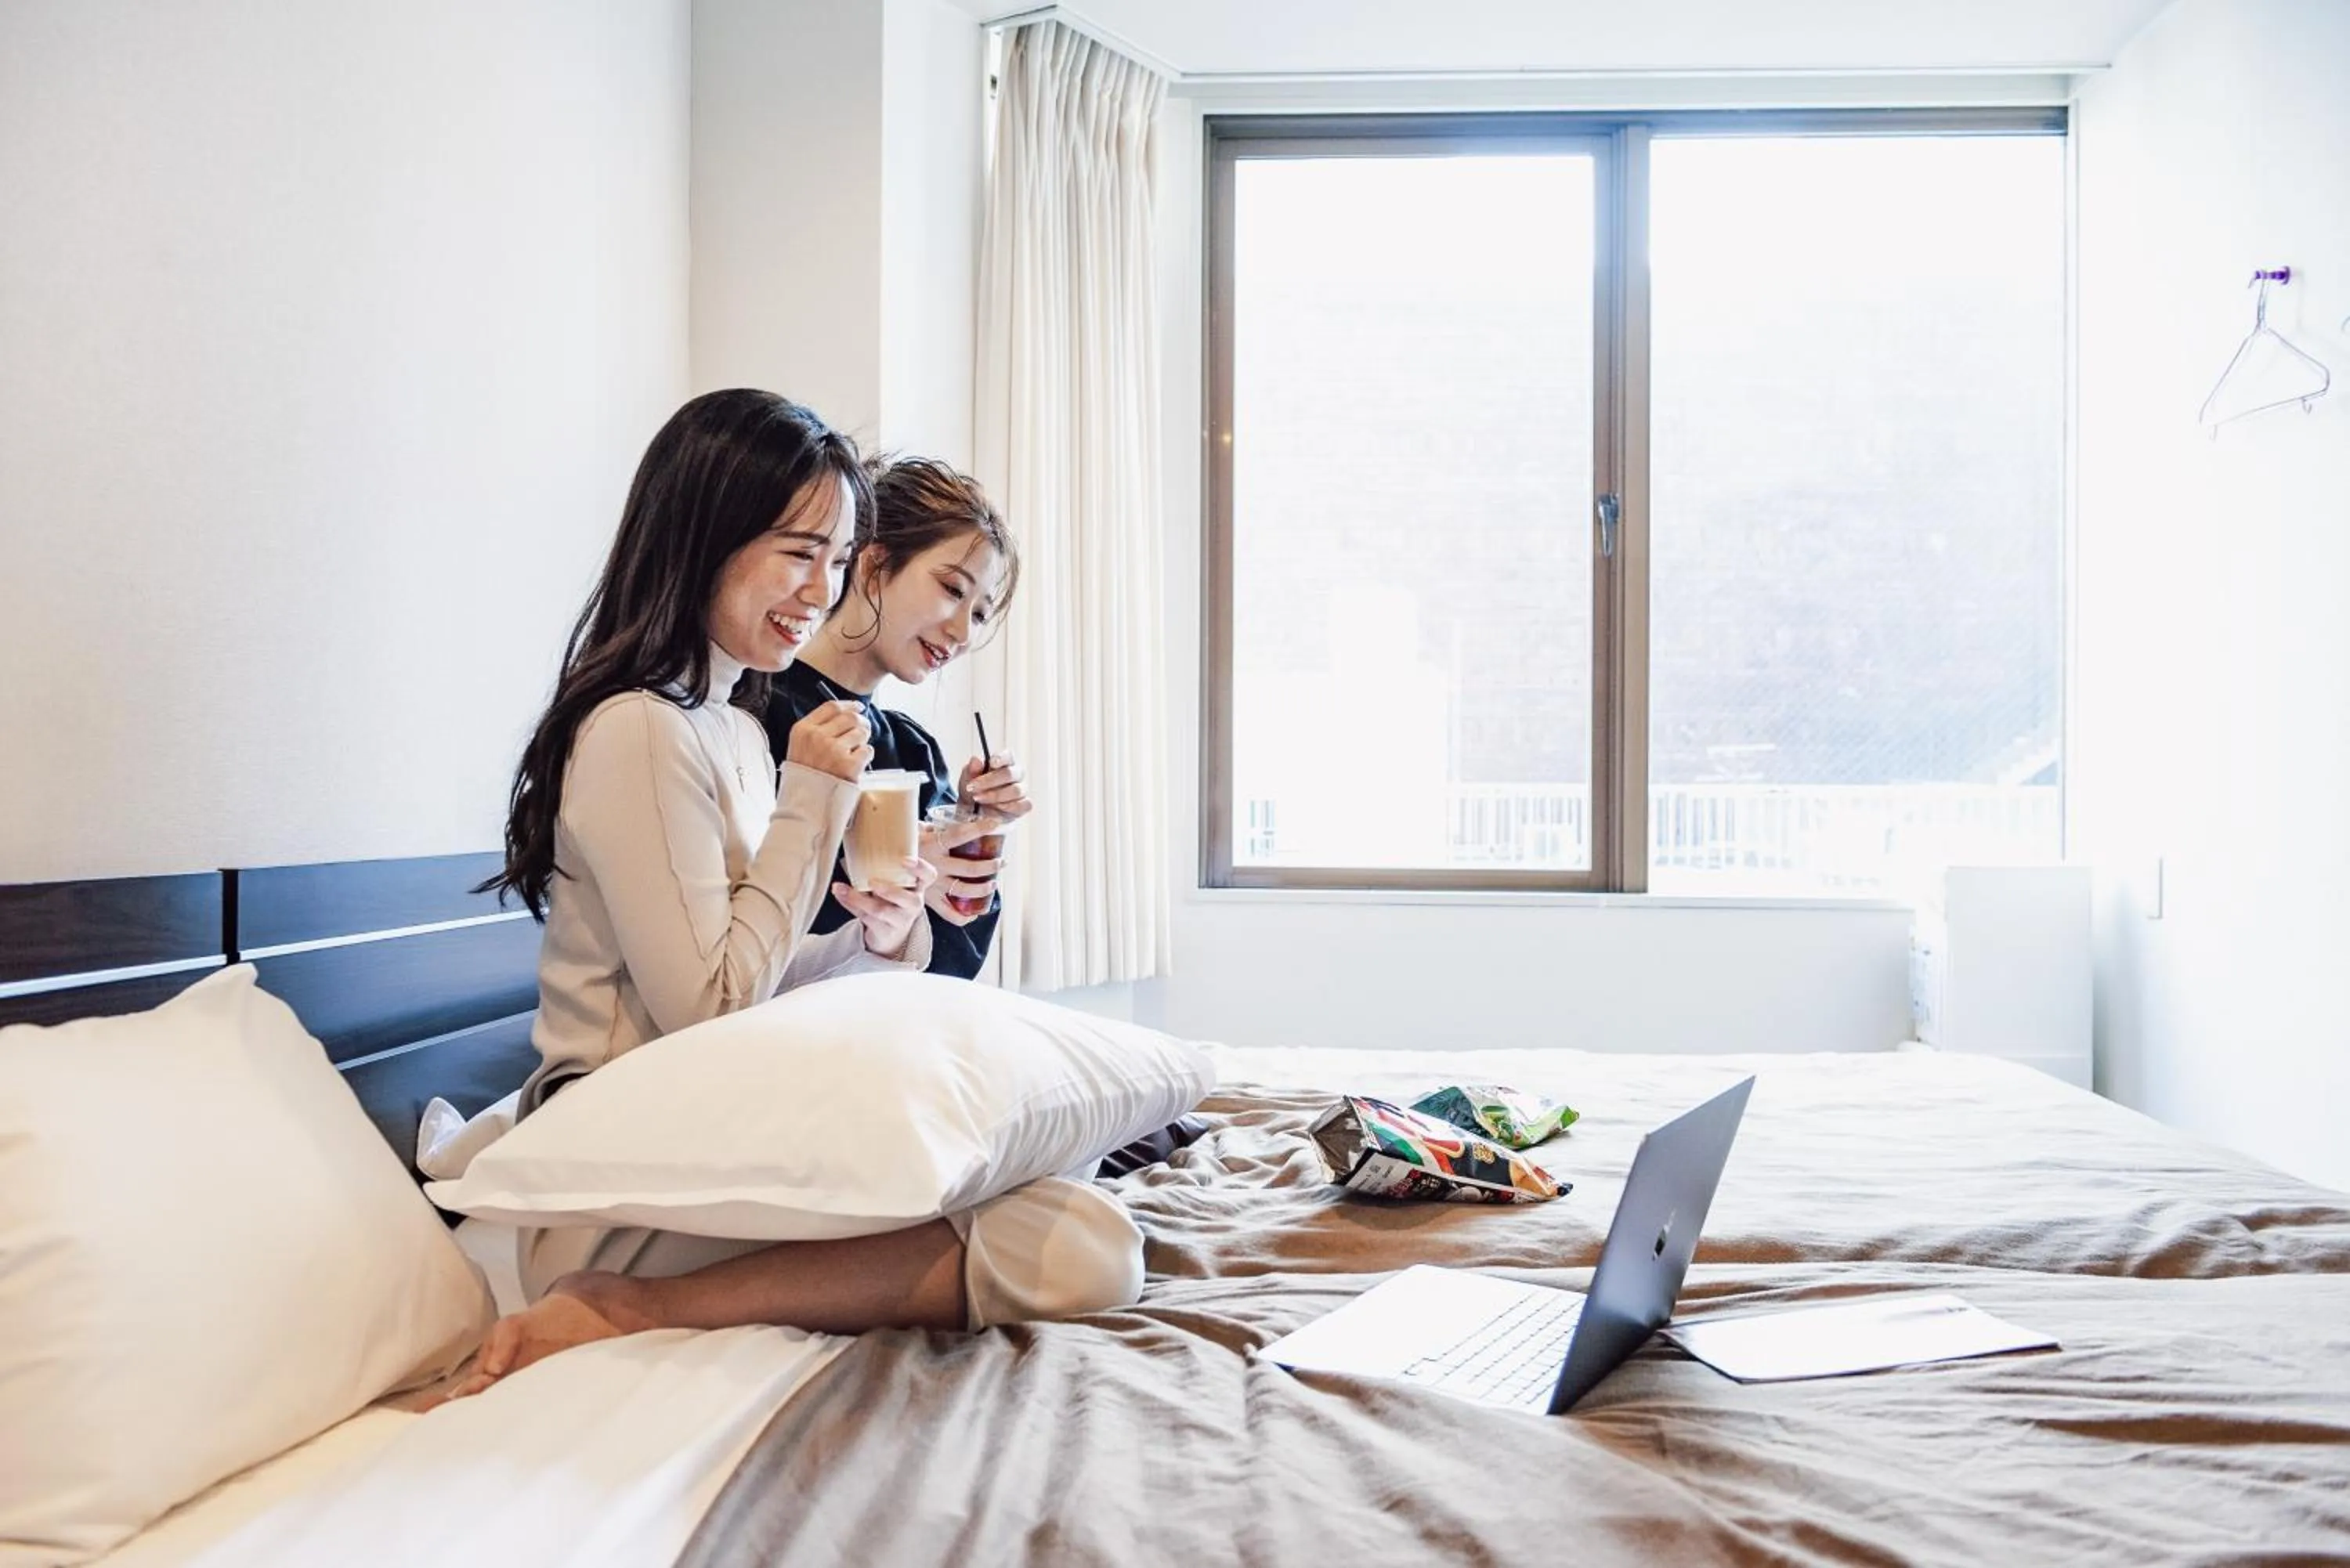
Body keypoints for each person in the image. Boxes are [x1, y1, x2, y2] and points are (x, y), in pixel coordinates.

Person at [455, 392, 1143, 1399]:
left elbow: (760, 971)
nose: (820, 591)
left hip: (693, 1143)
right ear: (704, 536)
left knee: (1065, 1199)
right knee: (1072, 1242)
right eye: (797, 553)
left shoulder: (728, 723)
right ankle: (624, 1302)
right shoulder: (641, 730)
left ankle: (650, 1297)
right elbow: (711, 1006)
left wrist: (889, 935)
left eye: (836, 560)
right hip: (617, 1182)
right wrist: (812, 797)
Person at [764, 457, 1029, 981]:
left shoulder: (913, 750)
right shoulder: (762, 711)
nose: (963, 632)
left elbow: (949, 972)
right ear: (873, 564)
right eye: (953, 590)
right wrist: (900, 870)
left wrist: (970, 825)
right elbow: (757, 918)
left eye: (979, 612)